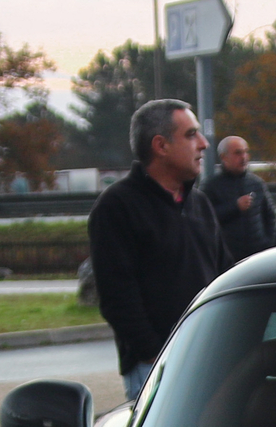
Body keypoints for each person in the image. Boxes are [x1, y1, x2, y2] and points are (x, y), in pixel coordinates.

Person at [88, 99, 220, 404]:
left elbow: (222, 275)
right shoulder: (117, 207)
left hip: (210, 360)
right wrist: (153, 353)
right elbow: (117, 295)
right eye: (191, 135)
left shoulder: (200, 204)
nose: (204, 144)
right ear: (160, 145)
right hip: (155, 369)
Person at [200, 135, 276, 264]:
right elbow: (204, 218)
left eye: (246, 152)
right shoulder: (211, 186)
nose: (244, 157)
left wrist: (268, 243)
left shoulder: (256, 183)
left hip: (257, 256)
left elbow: (270, 215)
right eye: (238, 153)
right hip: (226, 258)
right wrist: (235, 207)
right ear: (224, 157)